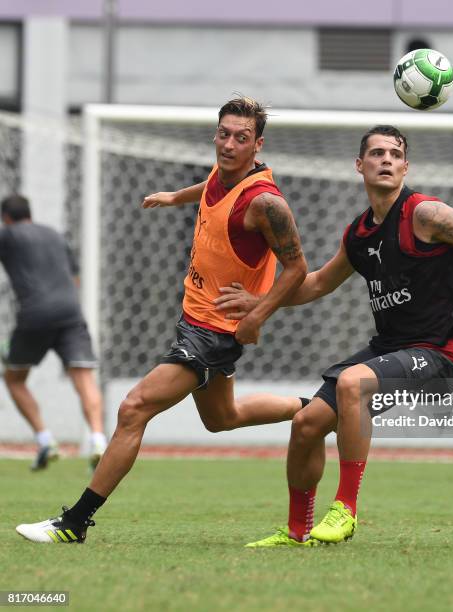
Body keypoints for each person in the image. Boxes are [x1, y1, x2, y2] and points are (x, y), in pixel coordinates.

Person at [213, 125, 453, 547]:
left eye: (395, 154)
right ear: (359, 165)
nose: (386, 159)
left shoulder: (426, 215)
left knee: (355, 383)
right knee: (306, 424)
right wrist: (260, 302)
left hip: (441, 354)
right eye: (376, 153)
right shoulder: (358, 234)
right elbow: (318, 284)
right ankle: (297, 533)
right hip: (391, 349)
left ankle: (346, 512)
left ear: (406, 166)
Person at [15, 96, 308, 544]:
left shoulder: (266, 203)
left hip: (214, 332)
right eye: (224, 134)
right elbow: (210, 188)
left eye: (241, 138)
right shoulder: (221, 172)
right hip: (194, 320)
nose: (229, 144)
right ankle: (312, 408)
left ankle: (74, 522)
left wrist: (257, 309)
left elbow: (297, 269)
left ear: (258, 144)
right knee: (222, 418)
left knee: (134, 408)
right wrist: (175, 197)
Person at [0, 194, 107, 472]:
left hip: (35, 314)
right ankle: (98, 440)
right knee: (83, 377)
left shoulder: (8, 235)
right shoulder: (55, 235)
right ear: (30, 213)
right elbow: (74, 278)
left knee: (14, 378)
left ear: (6, 218)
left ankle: (45, 439)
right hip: (71, 311)